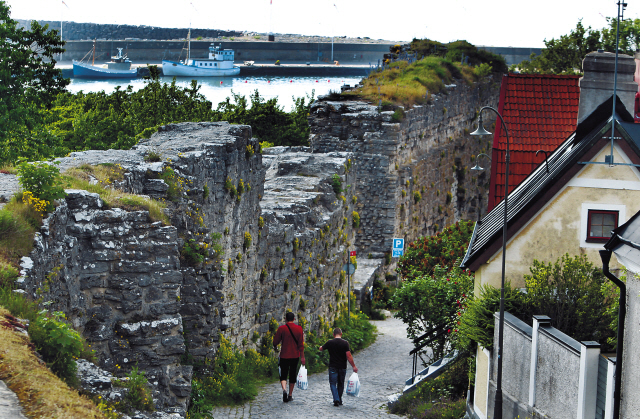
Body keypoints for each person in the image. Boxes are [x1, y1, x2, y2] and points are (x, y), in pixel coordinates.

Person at [319, 327, 358, 407]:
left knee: (333, 383)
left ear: (333, 334)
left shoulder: (330, 342)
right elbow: (349, 356)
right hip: (342, 366)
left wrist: (320, 347)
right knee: (341, 383)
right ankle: (339, 399)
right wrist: (353, 366)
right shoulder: (345, 343)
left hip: (333, 366)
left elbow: (321, 349)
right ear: (341, 334)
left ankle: (336, 399)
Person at [273, 312, 305, 403]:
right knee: (292, 373)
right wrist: (302, 357)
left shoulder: (281, 329)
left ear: (286, 319)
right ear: (294, 319)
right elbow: (301, 345)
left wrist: (275, 346)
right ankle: (290, 395)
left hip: (284, 355)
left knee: (283, 373)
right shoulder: (299, 329)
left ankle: (284, 390)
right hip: (295, 355)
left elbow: (275, 341)